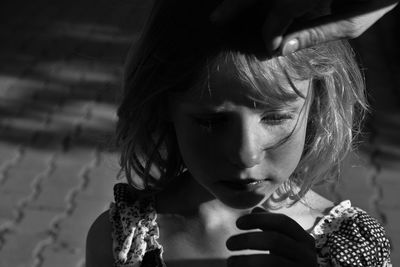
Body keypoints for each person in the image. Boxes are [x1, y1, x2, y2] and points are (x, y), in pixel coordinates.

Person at [85, 0, 393, 266]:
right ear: (163, 107)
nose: (246, 153)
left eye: (275, 116)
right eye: (211, 121)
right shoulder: (121, 243)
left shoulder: (352, 246)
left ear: (317, 104)